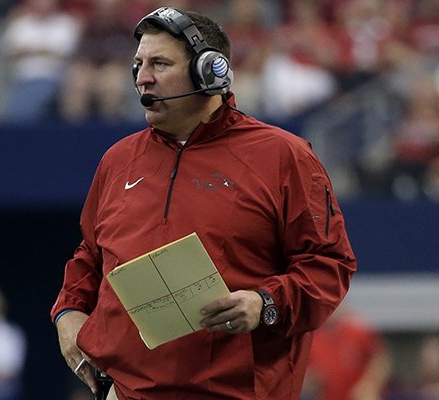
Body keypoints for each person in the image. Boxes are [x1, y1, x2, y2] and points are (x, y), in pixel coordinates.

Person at [51, 6, 356, 400]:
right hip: (126, 392)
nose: (143, 77)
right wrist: (67, 313)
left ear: (210, 71)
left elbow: (330, 265)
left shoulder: (284, 156)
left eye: (160, 63)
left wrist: (265, 303)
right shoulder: (118, 160)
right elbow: (89, 255)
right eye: (139, 64)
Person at [1, 0, 80, 121]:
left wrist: (29, 50)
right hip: (24, 79)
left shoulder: (66, 23)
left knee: (36, 95)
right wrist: (44, 50)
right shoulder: (21, 23)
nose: (42, 3)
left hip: (55, 78)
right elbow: (10, 49)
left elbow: (66, 52)